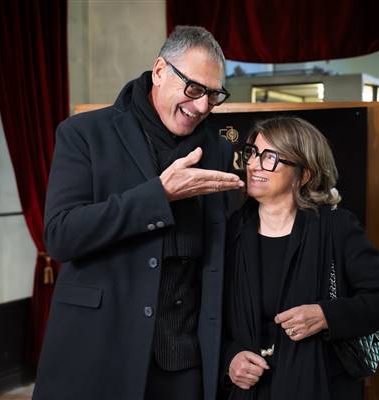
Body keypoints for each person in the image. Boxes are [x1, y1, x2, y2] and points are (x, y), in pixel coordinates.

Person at [33, 26, 243, 400]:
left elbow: (221, 261)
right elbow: (62, 236)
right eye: (194, 89)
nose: (201, 107)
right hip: (98, 352)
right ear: (160, 71)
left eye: (213, 95)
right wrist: (159, 195)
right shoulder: (84, 133)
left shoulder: (220, 150)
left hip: (184, 363)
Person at [221, 117, 379, 399]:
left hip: (320, 386)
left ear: (304, 174)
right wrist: (230, 357)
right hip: (248, 391)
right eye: (253, 153)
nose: (254, 165)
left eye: (270, 157)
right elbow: (209, 313)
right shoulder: (232, 229)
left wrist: (325, 316)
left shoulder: (336, 228)